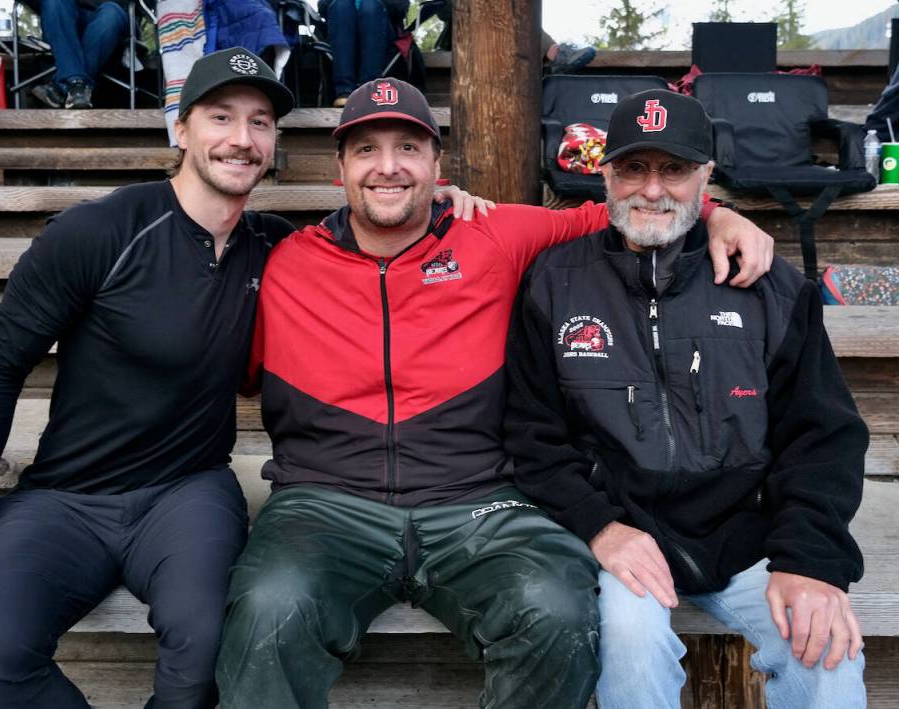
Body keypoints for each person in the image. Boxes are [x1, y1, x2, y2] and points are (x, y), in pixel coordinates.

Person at [214, 78, 775, 708]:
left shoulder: (497, 235)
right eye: (366, 149)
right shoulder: (284, 261)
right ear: (340, 166)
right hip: (325, 504)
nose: (389, 166)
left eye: (408, 147)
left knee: (558, 611)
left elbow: (626, 209)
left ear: (436, 164)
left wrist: (719, 211)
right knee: (266, 611)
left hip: (481, 502)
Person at [0, 47, 296, 709]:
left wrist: (446, 196)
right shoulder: (100, 230)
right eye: (221, 117)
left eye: (261, 122)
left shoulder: (278, 246)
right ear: (181, 129)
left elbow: (380, 219)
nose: (241, 139)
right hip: (67, 496)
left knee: (211, 649)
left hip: (188, 491)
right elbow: (0, 361)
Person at [505, 89, 868, 708]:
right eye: (633, 169)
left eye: (673, 169)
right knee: (627, 637)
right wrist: (599, 527)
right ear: (605, 174)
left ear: (706, 176)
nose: (652, 190)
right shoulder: (554, 281)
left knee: (828, 652)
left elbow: (821, 434)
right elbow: (531, 435)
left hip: (748, 534)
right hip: (624, 533)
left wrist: (810, 559)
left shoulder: (771, 286)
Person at [25, 0, 133, 109]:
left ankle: (65, 87)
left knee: (111, 12)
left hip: (113, 15)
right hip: (65, 16)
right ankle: (76, 86)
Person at [322, 0, 409, 106]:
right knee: (341, 4)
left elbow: (401, 8)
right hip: (341, 37)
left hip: (380, 34)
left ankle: (369, 89)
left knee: (370, 5)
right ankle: (344, 91)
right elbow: (322, 8)